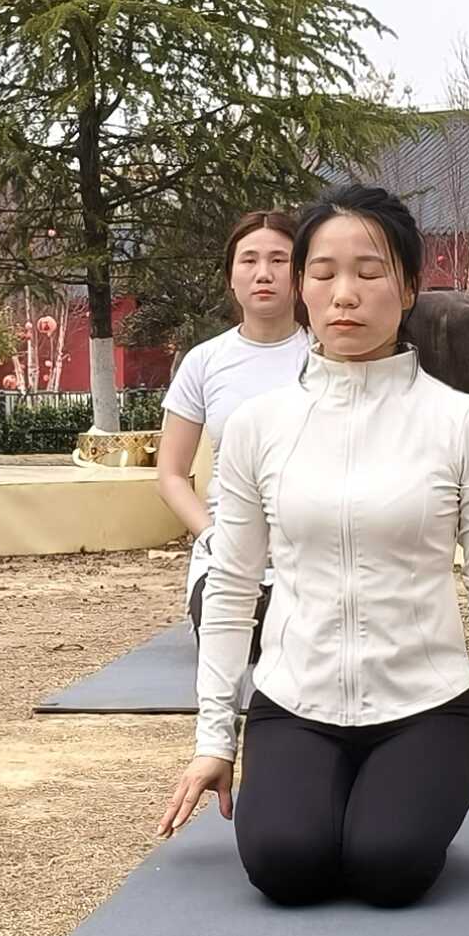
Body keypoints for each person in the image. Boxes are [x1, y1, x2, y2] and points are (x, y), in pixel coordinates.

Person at [162, 182, 469, 905]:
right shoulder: (258, 426)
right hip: (293, 700)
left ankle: (403, 799)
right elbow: (231, 585)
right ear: (302, 288)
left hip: (428, 705)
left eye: (369, 271)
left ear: (409, 286)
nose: (345, 295)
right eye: (323, 273)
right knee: (284, 866)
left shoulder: (463, 425)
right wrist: (214, 740)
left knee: (389, 868)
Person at [156, 209, 310, 632]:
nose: (264, 274)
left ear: (301, 275)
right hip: (227, 561)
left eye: (279, 260)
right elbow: (170, 474)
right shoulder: (204, 362)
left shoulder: (328, 358)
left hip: (315, 561)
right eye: (249, 260)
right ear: (231, 276)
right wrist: (213, 537)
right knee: (243, 636)